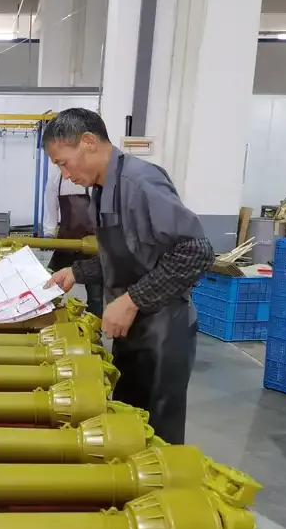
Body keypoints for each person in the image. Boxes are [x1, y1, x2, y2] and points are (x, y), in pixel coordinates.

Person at [43, 108, 214, 444]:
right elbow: (128, 255)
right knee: (128, 425)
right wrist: (75, 272)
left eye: (64, 163)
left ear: (88, 142)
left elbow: (197, 252)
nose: (65, 174)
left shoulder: (140, 182)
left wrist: (132, 300)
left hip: (163, 332)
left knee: (157, 436)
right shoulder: (101, 189)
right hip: (131, 329)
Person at [44, 163, 103, 317]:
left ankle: (94, 325)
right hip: (66, 242)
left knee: (96, 296)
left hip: (91, 244)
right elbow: (50, 208)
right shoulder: (56, 178)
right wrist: (49, 232)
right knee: (52, 288)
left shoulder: (90, 178)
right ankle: (46, 320)